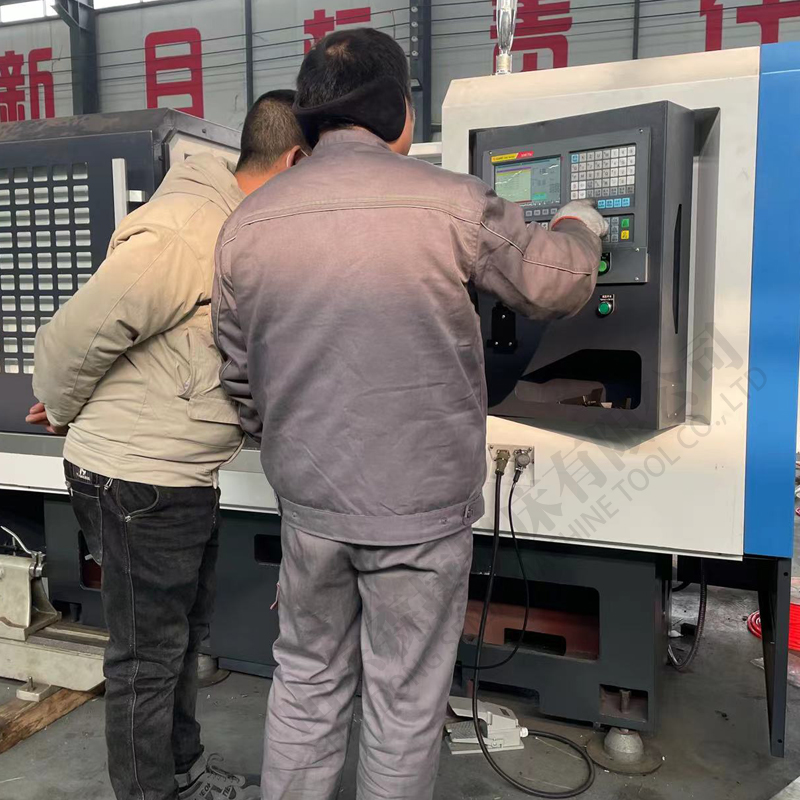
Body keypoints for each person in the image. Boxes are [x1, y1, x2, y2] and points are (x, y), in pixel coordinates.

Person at [214, 28, 607, 800]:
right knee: (403, 701)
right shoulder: (452, 202)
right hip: (420, 514)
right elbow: (554, 283)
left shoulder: (247, 225)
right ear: (399, 110)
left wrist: (291, 445)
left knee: (306, 682)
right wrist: (580, 227)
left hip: (311, 507)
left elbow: (239, 376)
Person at [27, 91, 308, 800]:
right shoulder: (189, 229)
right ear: (294, 161)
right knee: (147, 660)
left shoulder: (232, 229)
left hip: (176, 476)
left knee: (180, 642)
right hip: (138, 479)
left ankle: (182, 773)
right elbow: (75, 336)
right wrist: (61, 408)